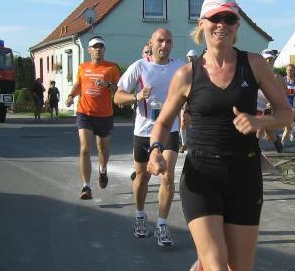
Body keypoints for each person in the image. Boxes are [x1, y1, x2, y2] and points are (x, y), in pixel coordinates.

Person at [147, 0, 291, 271]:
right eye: (215, 19)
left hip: (244, 175)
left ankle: (206, 261)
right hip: (201, 176)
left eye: (229, 19)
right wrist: (156, 151)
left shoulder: (254, 65)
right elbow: (163, 121)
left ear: (237, 26)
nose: (222, 26)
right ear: (202, 24)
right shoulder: (188, 73)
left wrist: (260, 120)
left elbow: (285, 113)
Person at [114, 29, 183, 247]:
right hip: (144, 131)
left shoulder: (180, 68)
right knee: (142, 176)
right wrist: (137, 96)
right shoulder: (139, 66)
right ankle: (140, 215)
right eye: (160, 41)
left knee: (167, 176)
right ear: (151, 43)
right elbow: (117, 97)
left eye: (168, 41)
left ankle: (162, 224)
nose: (164, 45)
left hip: (170, 130)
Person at [65, 37, 121, 200]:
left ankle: (103, 171)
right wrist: (71, 96)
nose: (98, 49)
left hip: (104, 114)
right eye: (94, 47)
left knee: (103, 148)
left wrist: (107, 85)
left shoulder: (112, 68)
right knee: (84, 148)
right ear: (89, 50)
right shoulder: (83, 67)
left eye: (100, 46)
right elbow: (79, 84)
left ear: (104, 49)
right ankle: (86, 187)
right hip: (85, 113)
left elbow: (119, 89)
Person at [256, 49, 284, 153]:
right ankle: (276, 140)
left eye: (270, 59)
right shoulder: (255, 73)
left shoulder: (276, 76)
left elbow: (281, 93)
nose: (268, 61)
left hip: (268, 106)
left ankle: (256, 152)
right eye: (266, 59)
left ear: (273, 61)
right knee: (268, 133)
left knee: (259, 129)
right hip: (255, 105)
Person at [179, 50, 199, 152]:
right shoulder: (185, 70)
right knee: (183, 122)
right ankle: (184, 144)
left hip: (197, 100)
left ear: (196, 57)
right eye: (189, 57)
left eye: (192, 57)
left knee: (198, 123)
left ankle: (198, 143)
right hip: (186, 100)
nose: (190, 59)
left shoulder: (201, 69)